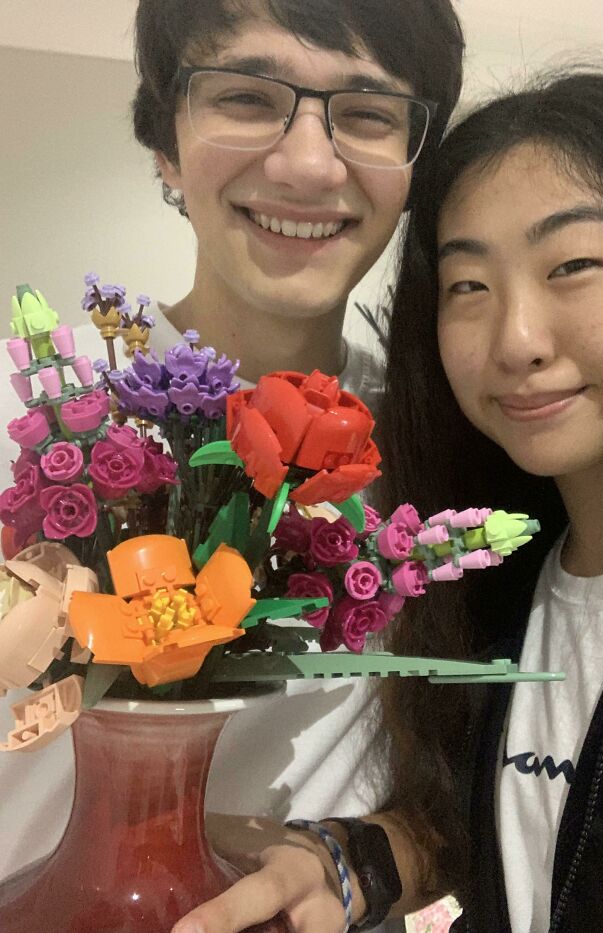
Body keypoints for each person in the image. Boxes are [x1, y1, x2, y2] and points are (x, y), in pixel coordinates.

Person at [170, 70, 603, 933]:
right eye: (467, 287)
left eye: (573, 265)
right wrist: (353, 862)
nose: (517, 340)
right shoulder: (492, 580)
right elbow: (501, 817)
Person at [0, 0, 465, 918]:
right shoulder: (37, 413)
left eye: (368, 114)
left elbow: (482, 781)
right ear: (165, 145)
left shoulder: (443, 452)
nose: (305, 163)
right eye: (247, 98)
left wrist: (363, 862)